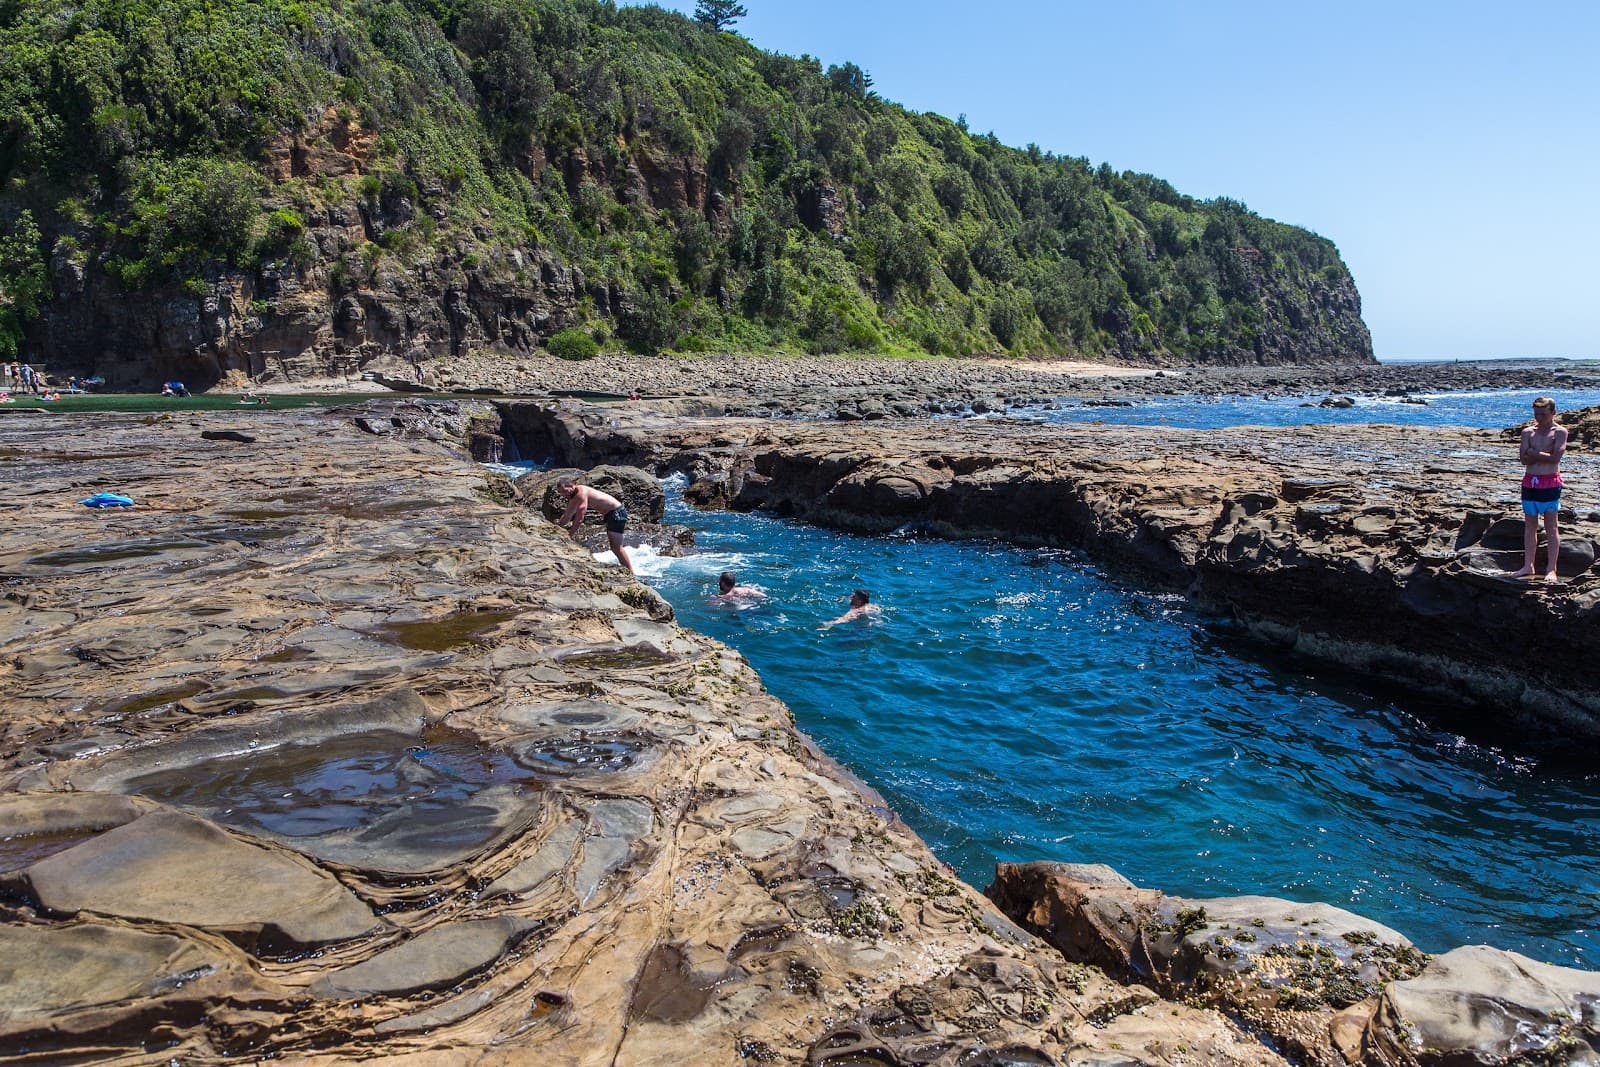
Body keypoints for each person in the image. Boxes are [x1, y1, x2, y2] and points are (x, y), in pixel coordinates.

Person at [1509, 396, 1567, 582]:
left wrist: (1535, 454)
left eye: (1543, 414)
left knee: (1551, 526)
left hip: (1550, 482)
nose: (1539, 418)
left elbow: (1555, 458)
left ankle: (1552, 569)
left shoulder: (1559, 432)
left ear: (1553, 413)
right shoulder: (1528, 432)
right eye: (1536, 414)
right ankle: (1528, 565)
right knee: (1530, 525)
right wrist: (1539, 455)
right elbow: (1524, 459)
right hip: (1530, 482)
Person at [554, 477, 635, 575]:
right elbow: (567, 515)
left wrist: (570, 534)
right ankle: (629, 571)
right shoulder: (573, 496)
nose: (563, 494)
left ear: (571, 486)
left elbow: (580, 517)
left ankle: (631, 573)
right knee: (615, 547)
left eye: (564, 491)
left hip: (617, 513)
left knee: (616, 548)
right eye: (561, 493)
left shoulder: (581, 492)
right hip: (610, 514)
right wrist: (556, 528)